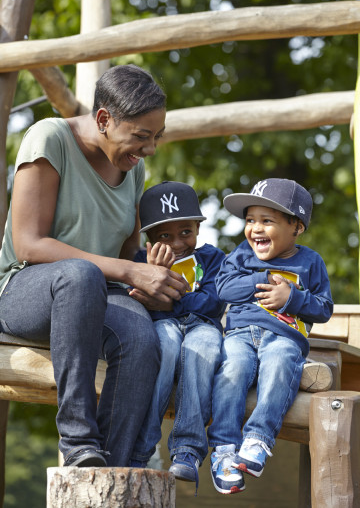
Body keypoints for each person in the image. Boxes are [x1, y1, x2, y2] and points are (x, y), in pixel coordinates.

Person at [0, 65, 190, 468]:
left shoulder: (133, 167)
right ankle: (78, 442)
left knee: (140, 337)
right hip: (22, 292)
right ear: (104, 119)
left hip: (96, 292)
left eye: (156, 137)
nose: (150, 148)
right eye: (142, 136)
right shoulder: (50, 137)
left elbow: (128, 255)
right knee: (80, 275)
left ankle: (112, 469)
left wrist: (154, 281)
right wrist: (127, 272)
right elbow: (29, 245)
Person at [207, 178, 333, 495]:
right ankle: (223, 449)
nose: (255, 229)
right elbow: (224, 289)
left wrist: (291, 298)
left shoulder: (311, 262)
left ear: (297, 227)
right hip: (239, 335)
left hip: (285, 337)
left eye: (267, 221)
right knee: (232, 369)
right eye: (250, 220)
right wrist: (261, 278)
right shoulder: (240, 256)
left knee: (279, 362)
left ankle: (257, 440)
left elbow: (323, 309)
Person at [129, 181, 226, 492]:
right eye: (164, 236)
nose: (178, 242)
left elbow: (213, 303)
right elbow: (144, 309)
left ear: (198, 227)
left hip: (203, 327)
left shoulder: (212, 259)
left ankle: (187, 450)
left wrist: (168, 297)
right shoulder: (140, 263)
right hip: (166, 328)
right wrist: (154, 277)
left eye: (186, 232)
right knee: (165, 344)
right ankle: (140, 449)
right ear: (149, 239)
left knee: (203, 348)